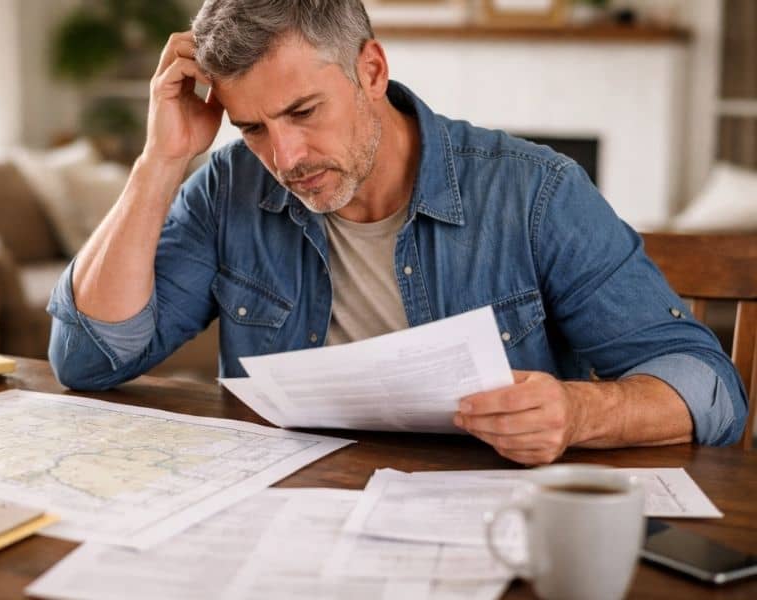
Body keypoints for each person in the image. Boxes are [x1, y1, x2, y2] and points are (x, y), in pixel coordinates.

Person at [47, 0, 747, 464]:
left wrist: (580, 410)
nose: (284, 159)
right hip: (284, 513)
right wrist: (159, 162)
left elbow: (709, 388)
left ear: (372, 70)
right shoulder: (229, 185)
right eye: (253, 127)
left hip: (486, 519)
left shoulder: (535, 191)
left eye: (303, 111)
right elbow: (87, 359)